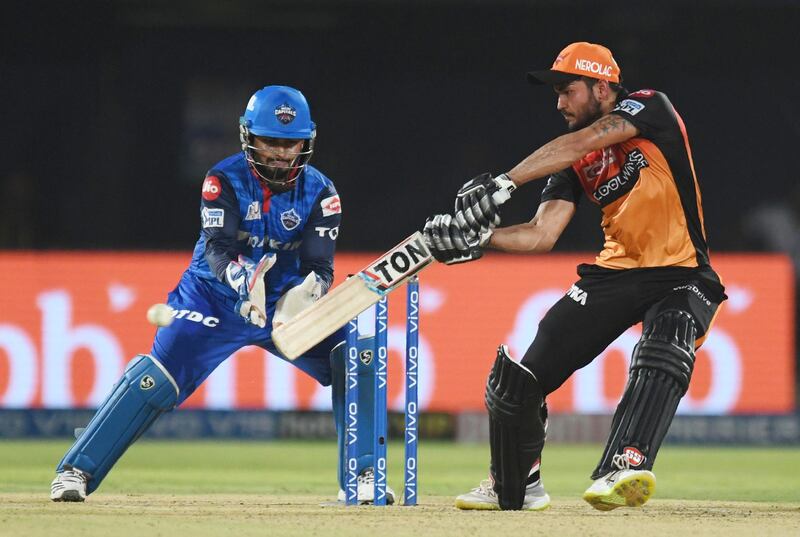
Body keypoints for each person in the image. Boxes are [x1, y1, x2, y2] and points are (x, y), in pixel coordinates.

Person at [49, 85, 394, 505]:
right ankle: (75, 471)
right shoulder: (222, 180)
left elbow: (319, 268)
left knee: (355, 355)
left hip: (282, 306)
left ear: (308, 140)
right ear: (249, 137)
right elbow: (217, 250)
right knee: (155, 380)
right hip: (212, 298)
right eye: (272, 142)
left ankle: (362, 479)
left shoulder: (323, 193)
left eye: (292, 143)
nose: (283, 154)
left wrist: (306, 296)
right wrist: (242, 281)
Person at [423, 42, 726, 511]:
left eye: (568, 91)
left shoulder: (650, 107)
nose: (559, 103)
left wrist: (504, 183)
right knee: (519, 383)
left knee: (665, 344)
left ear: (602, 87)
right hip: (613, 274)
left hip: (681, 270)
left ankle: (623, 466)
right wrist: (477, 238)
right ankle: (515, 485)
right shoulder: (573, 163)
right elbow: (540, 235)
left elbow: (582, 141)